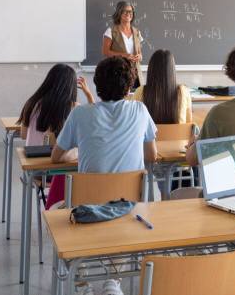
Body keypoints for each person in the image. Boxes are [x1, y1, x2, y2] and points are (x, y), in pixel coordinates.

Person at [51, 56, 157, 295]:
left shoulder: (80, 115)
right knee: (121, 214)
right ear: (129, 87)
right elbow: (151, 154)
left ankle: (82, 282)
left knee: (55, 213)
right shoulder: (140, 110)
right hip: (130, 204)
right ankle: (113, 281)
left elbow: (57, 156)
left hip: (86, 205)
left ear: (97, 85)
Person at [18, 64, 94, 209]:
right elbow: (94, 121)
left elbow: (23, 134)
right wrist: (89, 95)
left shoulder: (32, 103)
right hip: (64, 173)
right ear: (71, 87)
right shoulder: (74, 107)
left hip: (37, 171)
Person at [131, 49, 192, 123]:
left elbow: (133, 121)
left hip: (149, 135)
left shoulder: (140, 91)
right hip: (178, 134)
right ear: (172, 70)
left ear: (151, 69)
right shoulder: (183, 91)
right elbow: (189, 124)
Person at [102, 1, 144, 88]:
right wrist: (124, 55)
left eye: (130, 11)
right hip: (117, 72)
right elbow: (105, 52)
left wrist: (139, 56)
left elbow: (140, 54)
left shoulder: (137, 32)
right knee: (120, 98)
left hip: (135, 74)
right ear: (119, 12)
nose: (128, 13)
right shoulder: (111, 31)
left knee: (134, 99)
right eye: (125, 11)